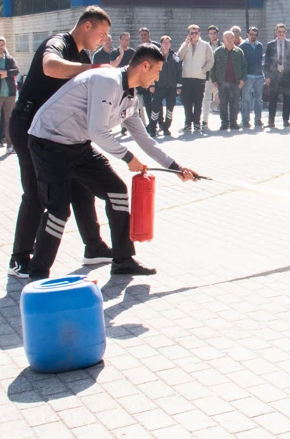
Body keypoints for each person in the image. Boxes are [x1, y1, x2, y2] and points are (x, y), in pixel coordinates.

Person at [26, 44, 200, 281]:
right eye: (157, 71)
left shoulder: (130, 96)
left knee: (117, 191)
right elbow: (98, 131)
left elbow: (144, 139)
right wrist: (129, 159)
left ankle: (123, 261)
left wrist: (176, 167)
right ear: (144, 65)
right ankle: (37, 277)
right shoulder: (108, 81)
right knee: (58, 210)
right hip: (49, 142)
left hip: (77, 145)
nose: (157, 78)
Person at [7, 7, 116, 280]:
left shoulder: (81, 56)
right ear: (87, 26)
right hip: (29, 128)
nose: (103, 40)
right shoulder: (57, 43)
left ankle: (94, 247)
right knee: (36, 195)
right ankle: (19, 258)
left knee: (81, 187)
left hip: (61, 134)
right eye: (101, 33)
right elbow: (49, 66)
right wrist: (93, 69)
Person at [177, 25, 213, 133]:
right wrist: (186, 45)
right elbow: (179, 57)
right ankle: (188, 123)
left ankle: (197, 123)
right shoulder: (185, 45)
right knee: (187, 102)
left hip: (199, 78)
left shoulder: (205, 45)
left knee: (198, 102)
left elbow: (210, 61)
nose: (193, 35)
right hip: (186, 78)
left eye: (195, 33)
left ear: (199, 34)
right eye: (191, 33)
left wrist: (203, 70)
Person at [209, 31, 247, 131]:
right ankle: (224, 123)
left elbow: (244, 66)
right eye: (227, 38)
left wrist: (243, 79)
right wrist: (214, 79)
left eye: (231, 38)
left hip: (236, 82)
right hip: (222, 81)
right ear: (223, 39)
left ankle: (234, 122)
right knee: (223, 103)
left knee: (235, 103)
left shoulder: (239, 52)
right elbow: (213, 66)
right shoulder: (217, 51)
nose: (229, 40)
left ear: (234, 38)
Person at [143, 36, 179, 137]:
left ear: (170, 44)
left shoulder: (174, 57)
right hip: (158, 86)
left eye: (168, 42)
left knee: (170, 108)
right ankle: (153, 128)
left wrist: (178, 86)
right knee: (155, 108)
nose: (166, 44)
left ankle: (166, 128)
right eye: (164, 42)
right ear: (161, 43)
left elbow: (178, 72)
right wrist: (151, 84)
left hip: (171, 87)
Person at [264, 24, 290, 129]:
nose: (281, 33)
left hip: (286, 76)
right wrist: (267, 76)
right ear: (275, 32)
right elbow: (267, 62)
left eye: (283, 32)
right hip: (274, 75)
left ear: (286, 33)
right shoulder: (270, 45)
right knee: (272, 99)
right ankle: (271, 121)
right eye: (279, 32)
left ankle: (286, 120)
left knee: (287, 98)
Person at [239, 27, 266, 129]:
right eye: (251, 34)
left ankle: (258, 119)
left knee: (258, 99)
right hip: (248, 76)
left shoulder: (259, 45)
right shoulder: (242, 46)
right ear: (247, 34)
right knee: (246, 99)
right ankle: (245, 120)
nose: (253, 36)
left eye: (255, 35)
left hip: (259, 76)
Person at [202, 26, 221, 116]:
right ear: (208, 35)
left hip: (220, 75)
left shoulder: (223, 46)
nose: (213, 35)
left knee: (224, 97)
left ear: (218, 34)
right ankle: (205, 120)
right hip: (208, 75)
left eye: (214, 33)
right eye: (211, 33)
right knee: (207, 98)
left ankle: (225, 120)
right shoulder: (205, 46)